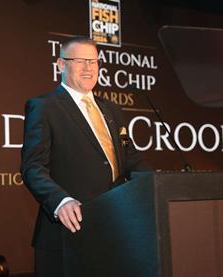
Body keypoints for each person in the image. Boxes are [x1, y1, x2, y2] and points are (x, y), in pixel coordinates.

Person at [20, 36, 150, 276]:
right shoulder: (45, 107)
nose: (89, 68)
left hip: (115, 230)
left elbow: (131, 160)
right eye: (80, 61)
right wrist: (60, 201)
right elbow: (33, 167)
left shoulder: (112, 110)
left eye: (94, 61)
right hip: (67, 234)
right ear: (61, 64)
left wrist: (158, 184)